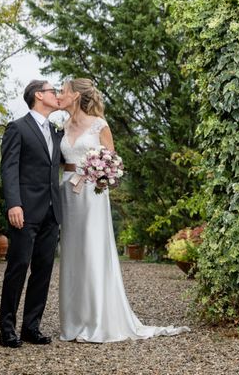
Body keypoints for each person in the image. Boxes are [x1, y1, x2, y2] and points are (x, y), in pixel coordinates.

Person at [58, 78, 190, 342]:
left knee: (93, 251)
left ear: (75, 96)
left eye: (63, 91)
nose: (59, 94)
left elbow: (113, 163)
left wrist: (98, 172)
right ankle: (74, 321)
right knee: (72, 254)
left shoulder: (100, 125)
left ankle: (98, 321)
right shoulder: (62, 126)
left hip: (92, 194)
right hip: (67, 192)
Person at [0, 80, 63, 348]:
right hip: (24, 211)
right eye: (53, 91)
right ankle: (7, 329)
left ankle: (31, 326)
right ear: (39, 95)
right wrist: (14, 203)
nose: (57, 95)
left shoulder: (56, 130)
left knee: (43, 271)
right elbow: (9, 168)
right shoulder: (18, 128)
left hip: (52, 212)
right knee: (18, 268)